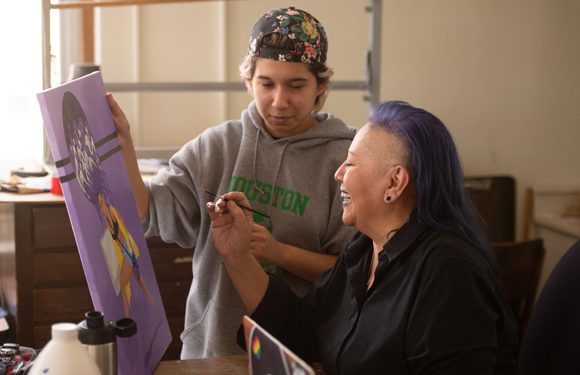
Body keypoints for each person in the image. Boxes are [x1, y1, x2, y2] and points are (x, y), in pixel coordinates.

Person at [107, 7, 358, 359]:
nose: (279, 101)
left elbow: (359, 270)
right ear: (248, 81)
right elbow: (145, 214)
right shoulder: (217, 146)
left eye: (297, 85)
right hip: (212, 350)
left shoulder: (346, 160)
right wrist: (123, 147)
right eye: (266, 84)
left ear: (322, 86)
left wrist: (278, 253)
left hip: (301, 354)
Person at [206, 101, 520, 374]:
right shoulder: (364, 248)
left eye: (351, 163)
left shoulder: (449, 274)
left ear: (394, 182)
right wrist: (237, 255)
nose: (338, 173)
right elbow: (304, 330)